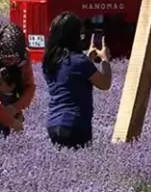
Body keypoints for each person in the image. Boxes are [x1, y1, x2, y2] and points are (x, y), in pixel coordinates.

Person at [42, 13, 112, 149]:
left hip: (53, 124)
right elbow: (105, 84)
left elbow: (69, 77)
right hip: (75, 124)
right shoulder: (80, 62)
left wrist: (88, 59)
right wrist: (105, 60)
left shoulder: (49, 62)